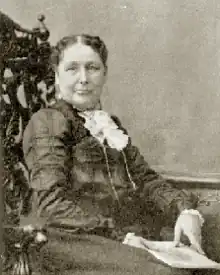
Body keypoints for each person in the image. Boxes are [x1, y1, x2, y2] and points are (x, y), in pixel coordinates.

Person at [22, 34, 204, 275]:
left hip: (125, 235)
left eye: (93, 68)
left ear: (104, 74)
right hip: (72, 239)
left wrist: (185, 211)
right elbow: (51, 205)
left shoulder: (109, 124)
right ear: (57, 76)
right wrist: (120, 236)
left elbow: (145, 178)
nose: (84, 79)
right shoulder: (48, 121)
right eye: (72, 69)